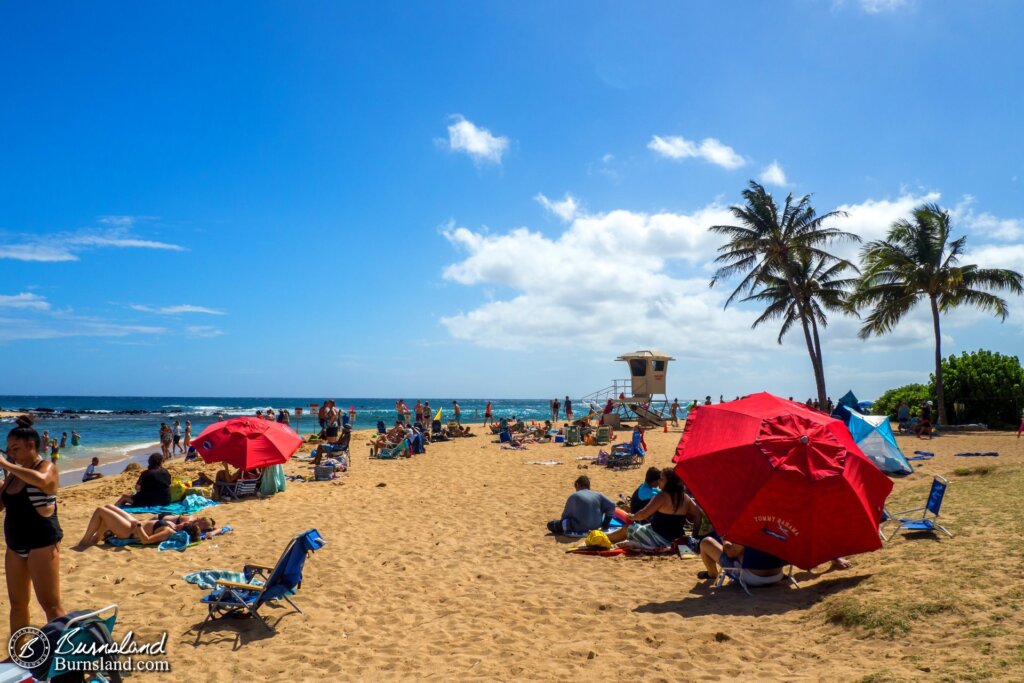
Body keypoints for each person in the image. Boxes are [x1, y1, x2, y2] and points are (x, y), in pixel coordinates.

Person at [0, 415, 65, 637]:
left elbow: (43, 482)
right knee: (18, 604)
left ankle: (65, 656)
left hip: (42, 544)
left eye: (15, 449)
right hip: (15, 546)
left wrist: (5, 464)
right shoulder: (11, 477)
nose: (11, 454)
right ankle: (17, 654)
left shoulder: (47, 468)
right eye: (8, 449)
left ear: (31, 446)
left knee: (51, 605)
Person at [607, 469, 701, 549]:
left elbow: (643, 514)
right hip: (675, 539)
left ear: (669, 482)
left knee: (627, 528)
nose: (659, 481)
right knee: (644, 527)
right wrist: (694, 535)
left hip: (657, 538)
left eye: (661, 479)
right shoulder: (685, 497)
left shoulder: (661, 497)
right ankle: (634, 542)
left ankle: (605, 538)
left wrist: (632, 516)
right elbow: (698, 514)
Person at [74, 506, 218, 548]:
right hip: (134, 523)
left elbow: (147, 540)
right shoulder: (173, 526)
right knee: (108, 507)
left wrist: (138, 527)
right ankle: (97, 537)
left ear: (186, 526)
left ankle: (85, 540)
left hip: (129, 531)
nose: (186, 521)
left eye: (187, 524)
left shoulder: (168, 531)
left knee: (100, 511)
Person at [697, 537, 787, 587]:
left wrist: (724, 539)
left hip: (754, 578)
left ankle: (712, 574)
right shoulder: (778, 526)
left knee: (706, 542)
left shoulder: (749, 529)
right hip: (777, 575)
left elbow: (730, 553)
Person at [546, 476, 616, 535]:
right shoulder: (598, 495)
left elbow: (566, 516)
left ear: (577, 485)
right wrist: (606, 524)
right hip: (596, 526)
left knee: (551, 525)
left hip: (579, 527)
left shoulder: (575, 496)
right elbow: (612, 505)